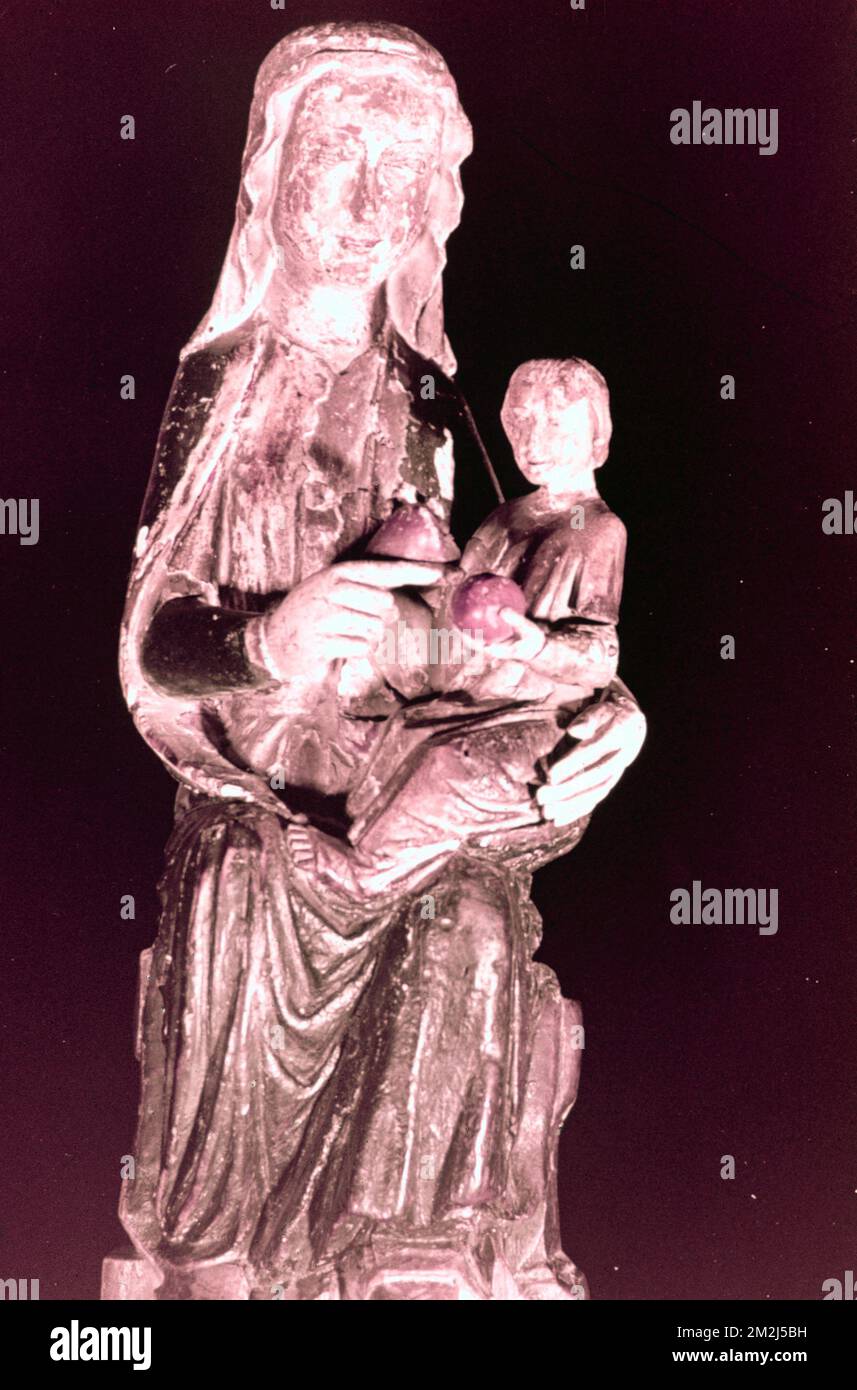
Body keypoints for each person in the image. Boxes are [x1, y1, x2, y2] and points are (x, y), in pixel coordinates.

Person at [117, 23, 646, 1301]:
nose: (368, 201)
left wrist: (609, 707)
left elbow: (493, 615)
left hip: (406, 765)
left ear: (436, 206)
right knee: (248, 891)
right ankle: (218, 1270)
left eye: (404, 171)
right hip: (256, 792)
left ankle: (415, 1265)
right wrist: (267, 638)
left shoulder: (432, 407)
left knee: (467, 922)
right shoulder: (223, 383)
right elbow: (153, 644)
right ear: (270, 170)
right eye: (338, 153)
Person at [288, 357, 626, 908]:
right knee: (377, 639)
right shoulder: (503, 517)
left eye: (555, 425)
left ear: (596, 434)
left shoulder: (597, 531)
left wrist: (533, 644)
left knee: (450, 765)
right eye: (520, 425)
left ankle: (365, 874)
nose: (534, 442)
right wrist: (420, 560)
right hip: (461, 694)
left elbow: (598, 656)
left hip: (534, 717)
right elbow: (452, 614)